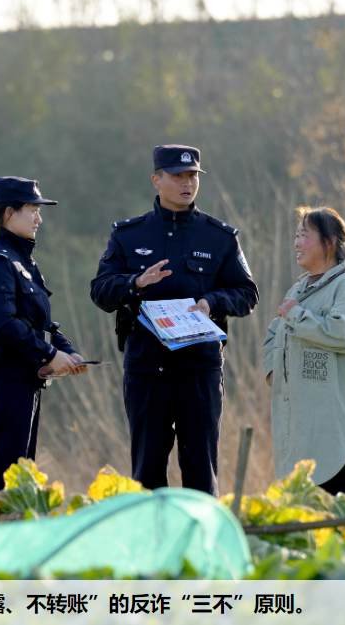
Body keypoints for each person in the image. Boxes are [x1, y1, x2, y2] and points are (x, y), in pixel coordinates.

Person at [90, 144, 259, 495]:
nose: (187, 183)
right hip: (147, 371)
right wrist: (134, 282)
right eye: (178, 176)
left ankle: (199, 548)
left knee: (200, 472)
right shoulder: (128, 235)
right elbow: (101, 291)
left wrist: (211, 302)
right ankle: (154, 547)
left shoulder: (219, 237)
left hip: (199, 370)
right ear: (156, 180)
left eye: (193, 176)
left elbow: (247, 293)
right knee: (147, 473)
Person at [0, 176, 86, 508]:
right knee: (0, 487)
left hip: (25, 384)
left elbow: (43, 323)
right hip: (4, 384)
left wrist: (65, 351)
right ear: (9, 214)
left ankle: (10, 559)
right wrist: (48, 353)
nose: (39, 218)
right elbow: (2, 323)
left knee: (19, 488)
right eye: (32, 210)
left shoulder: (24, 262)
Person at [262, 206, 345, 500]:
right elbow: (272, 334)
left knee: (342, 524)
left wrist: (298, 316)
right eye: (296, 235)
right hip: (302, 432)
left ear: (329, 243)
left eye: (304, 235)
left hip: (336, 438)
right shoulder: (299, 289)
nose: (296, 243)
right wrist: (273, 370)